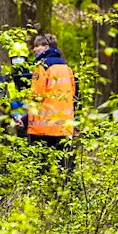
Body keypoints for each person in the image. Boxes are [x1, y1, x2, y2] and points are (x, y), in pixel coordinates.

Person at [26, 33, 78, 173]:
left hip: (43, 127)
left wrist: (24, 118)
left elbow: (36, 97)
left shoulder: (41, 67)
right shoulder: (67, 68)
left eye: (37, 46)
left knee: (43, 169)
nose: (34, 49)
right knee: (63, 167)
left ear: (46, 47)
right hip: (64, 125)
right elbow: (73, 94)